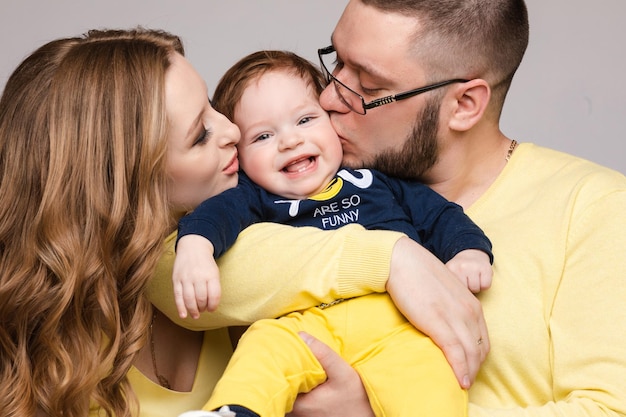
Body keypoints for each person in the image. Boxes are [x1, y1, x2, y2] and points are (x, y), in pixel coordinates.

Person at [0, 27, 483, 417]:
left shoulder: (248, 264)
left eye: (213, 106)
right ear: (125, 183)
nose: (233, 130)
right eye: (199, 134)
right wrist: (390, 256)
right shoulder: (48, 342)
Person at [284, 1, 626, 416]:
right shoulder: (305, 178)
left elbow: (609, 410)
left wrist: (382, 409)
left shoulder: (595, 210)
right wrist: (388, 260)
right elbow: (194, 276)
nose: (327, 97)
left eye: (368, 86)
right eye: (336, 61)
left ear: (464, 105)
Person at [172, 50, 493, 417]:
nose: (290, 141)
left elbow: (440, 216)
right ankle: (234, 411)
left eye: (306, 119)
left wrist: (469, 251)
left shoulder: (376, 182)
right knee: (264, 347)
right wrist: (195, 247)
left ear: (334, 124)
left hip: (399, 325)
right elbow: (215, 216)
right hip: (308, 325)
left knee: (432, 378)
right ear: (240, 157)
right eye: (262, 136)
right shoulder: (253, 197)